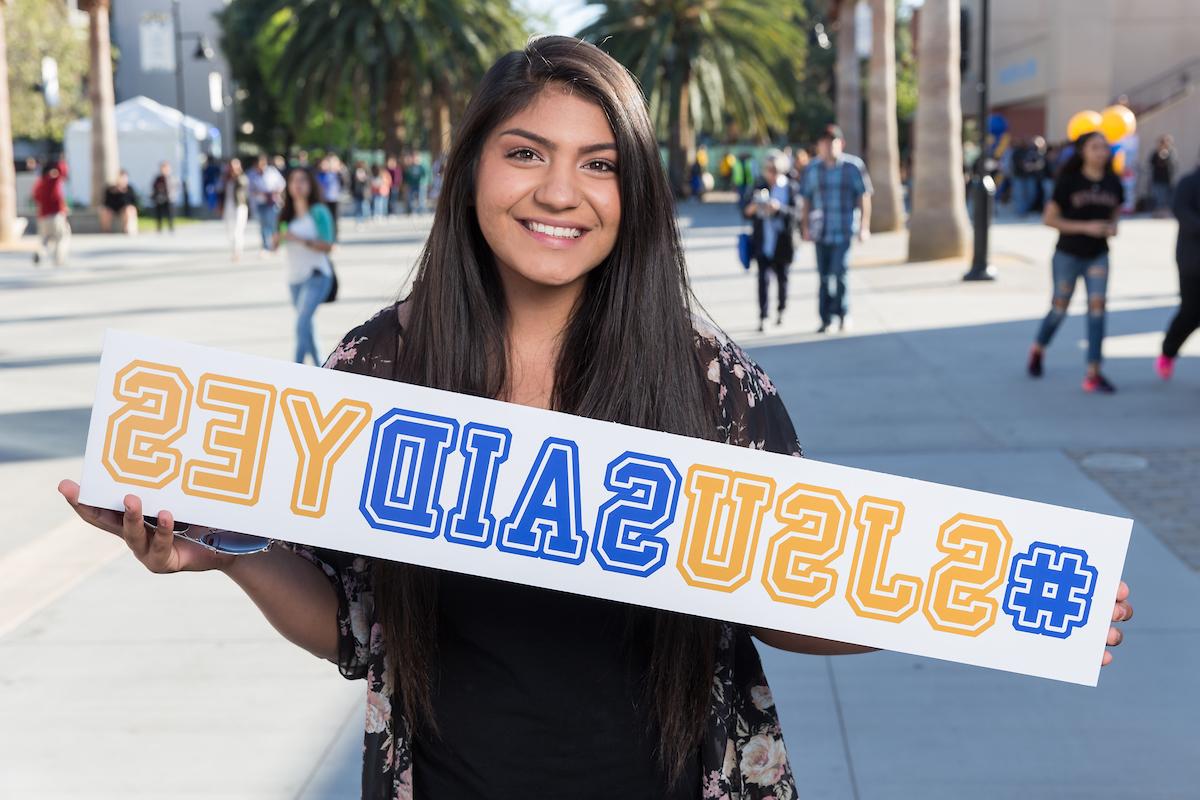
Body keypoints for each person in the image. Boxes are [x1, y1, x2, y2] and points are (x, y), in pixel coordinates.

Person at [54, 36, 1134, 800]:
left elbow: (795, 599)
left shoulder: (710, 383)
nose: (559, 191)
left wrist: (973, 594)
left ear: (636, 193)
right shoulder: (378, 369)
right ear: (473, 167)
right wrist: (228, 550)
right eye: (525, 151)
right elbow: (352, 622)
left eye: (598, 163)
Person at [1027, 131, 1124, 392]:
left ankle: (1093, 371)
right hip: (1068, 254)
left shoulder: (1113, 181)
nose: (1101, 152)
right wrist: (1086, 227)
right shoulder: (1069, 181)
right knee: (1059, 308)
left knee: (1097, 310)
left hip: (1098, 255)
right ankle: (1038, 348)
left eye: (1104, 147)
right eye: (1095, 147)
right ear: (1083, 152)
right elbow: (1049, 219)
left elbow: (1115, 212)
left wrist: (1112, 227)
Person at [800, 124, 872, 333]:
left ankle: (843, 313)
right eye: (824, 142)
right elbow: (806, 199)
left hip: (843, 229)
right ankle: (826, 318)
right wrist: (805, 227)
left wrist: (864, 226)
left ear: (841, 144)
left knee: (840, 273)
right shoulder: (812, 168)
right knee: (824, 277)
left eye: (832, 142)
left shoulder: (853, 167)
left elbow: (864, 195)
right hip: (820, 231)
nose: (828, 146)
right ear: (818, 146)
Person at [743, 150, 799, 331]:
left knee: (782, 279)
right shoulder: (758, 186)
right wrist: (753, 207)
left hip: (782, 242)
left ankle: (781, 310)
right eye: (768, 168)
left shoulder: (789, 187)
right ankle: (763, 316)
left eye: (775, 169)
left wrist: (778, 209)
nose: (772, 173)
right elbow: (744, 211)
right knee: (763, 279)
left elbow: (796, 214)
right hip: (763, 241)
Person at [1157, 160, 1200, 380]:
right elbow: (1182, 212)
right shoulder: (1189, 183)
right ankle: (1168, 350)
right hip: (1193, 262)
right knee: (1191, 313)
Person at [31, 160, 70, 267]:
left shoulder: (40, 183)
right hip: (56, 215)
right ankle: (59, 259)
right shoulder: (53, 180)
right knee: (61, 237)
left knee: (45, 239)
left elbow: (35, 197)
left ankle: (40, 253)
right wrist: (61, 160)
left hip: (43, 216)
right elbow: (64, 172)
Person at [248, 155, 286, 253]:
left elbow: (281, 184)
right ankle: (265, 246)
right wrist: (259, 193)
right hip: (260, 202)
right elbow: (250, 189)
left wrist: (275, 192)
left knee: (273, 224)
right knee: (263, 224)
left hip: (272, 202)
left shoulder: (272, 172)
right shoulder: (252, 174)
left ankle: (275, 243)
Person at [218, 158, 251, 262]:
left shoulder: (242, 177)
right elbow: (219, 190)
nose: (233, 168)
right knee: (229, 230)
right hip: (228, 206)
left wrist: (236, 175)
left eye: (235, 166)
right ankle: (234, 248)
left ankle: (237, 251)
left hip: (239, 206)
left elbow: (244, 185)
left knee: (238, 229)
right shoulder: (225, 179)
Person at [100, 170, 139, 235]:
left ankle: (126, 229)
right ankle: (106, 231)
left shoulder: (129, 189)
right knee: (104, 211)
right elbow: (106, 203)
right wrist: (115, 192)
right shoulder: (110, 189)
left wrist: (123, 193)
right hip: (113, 208)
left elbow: (133, 202)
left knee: (129, 209)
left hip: (124, 209)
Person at [1148, 134, 1178, 218]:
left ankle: (1166, 214)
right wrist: (1159, 154)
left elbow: (1173, 164)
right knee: (1158, 199)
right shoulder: (1155, 153)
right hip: (1157, 180)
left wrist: (1166, 156)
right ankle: (1158, 214)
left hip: (1168, 180)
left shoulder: (1171, 152)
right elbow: (1151, 163)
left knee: (1167, 199)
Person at [316, 155, 344, 237]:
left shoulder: (336, 174)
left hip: (334, 198)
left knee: (334, 218)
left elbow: (344, 181)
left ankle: (334, 235)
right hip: (323, 199)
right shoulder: (319, 174)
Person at [150, 162, 177, 234]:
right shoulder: (158, 179)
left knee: (170, 213)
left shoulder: (172, 178)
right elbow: (154, 187)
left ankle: (171, 227)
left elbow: (175, 187)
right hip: (160, 199)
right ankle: (159, 227)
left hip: (169, 198)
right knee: (159, 213)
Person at [350, 161, 371, 228]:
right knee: (358, 207)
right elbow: (351, 183)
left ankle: (366, 218)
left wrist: (363, 179)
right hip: (356, 192)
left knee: (365, 206)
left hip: (364, 192)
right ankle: (359, 221)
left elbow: (368, 182)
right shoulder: (354, 173)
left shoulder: (366, 172)